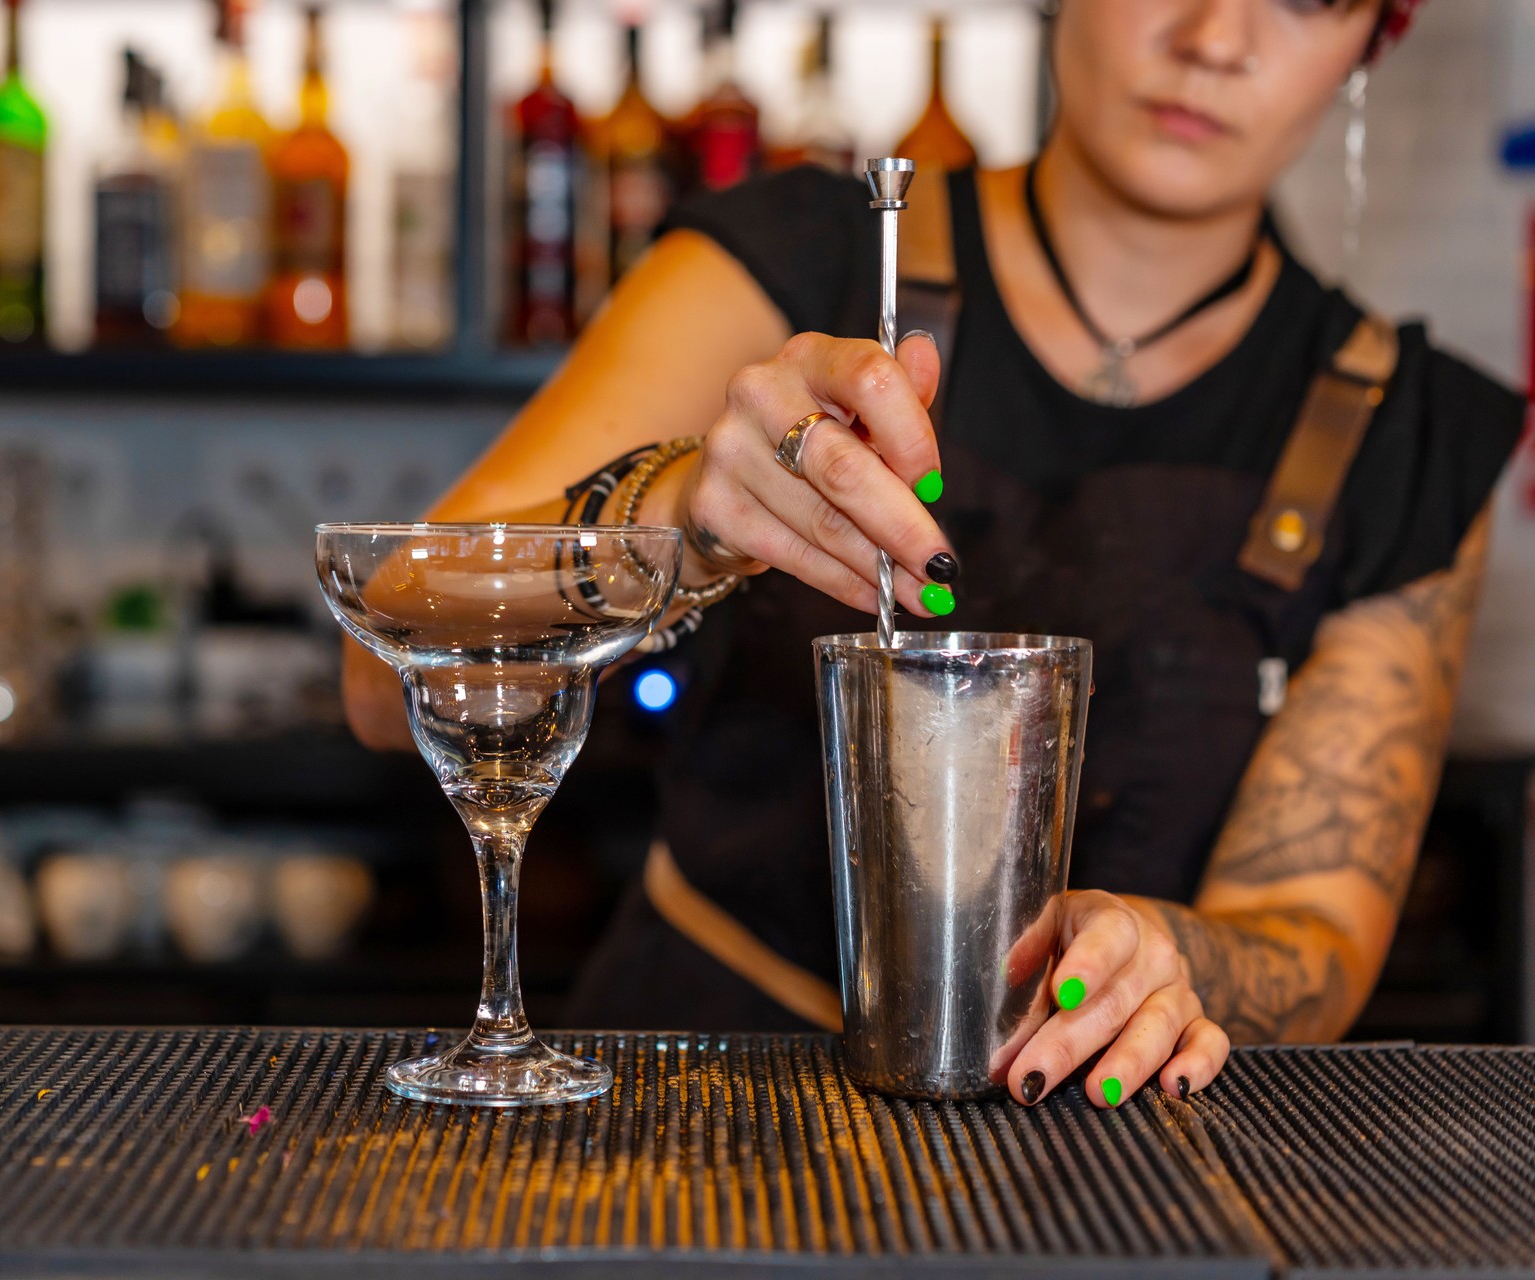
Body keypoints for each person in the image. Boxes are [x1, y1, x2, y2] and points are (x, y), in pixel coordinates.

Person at [345, 0, 1525, 1108]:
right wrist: (685, 517)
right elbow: (379, 677)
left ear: (1377, 33)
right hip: (697, 1097)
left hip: (1096, 1161)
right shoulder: (793, 254)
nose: (1215, 36)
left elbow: (1308, 928)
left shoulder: (1406, 434)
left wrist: (1172, 959)